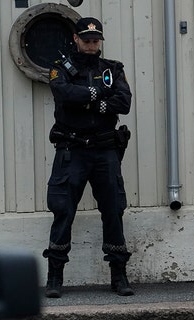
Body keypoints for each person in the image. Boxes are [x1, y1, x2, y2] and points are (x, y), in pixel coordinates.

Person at [42, 17, 133, 298]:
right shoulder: (60, 69)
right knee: (63, 210)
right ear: (76, 39)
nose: (92, 45)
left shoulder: (112, 69)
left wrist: (91, 101)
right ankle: (55, 277)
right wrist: (97, 95)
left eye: (96, 41)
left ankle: (119, 276)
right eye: (87, 40)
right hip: (73, 150)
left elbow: (124, 102)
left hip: (105, 150)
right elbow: (64, 93)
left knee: (113, 211)